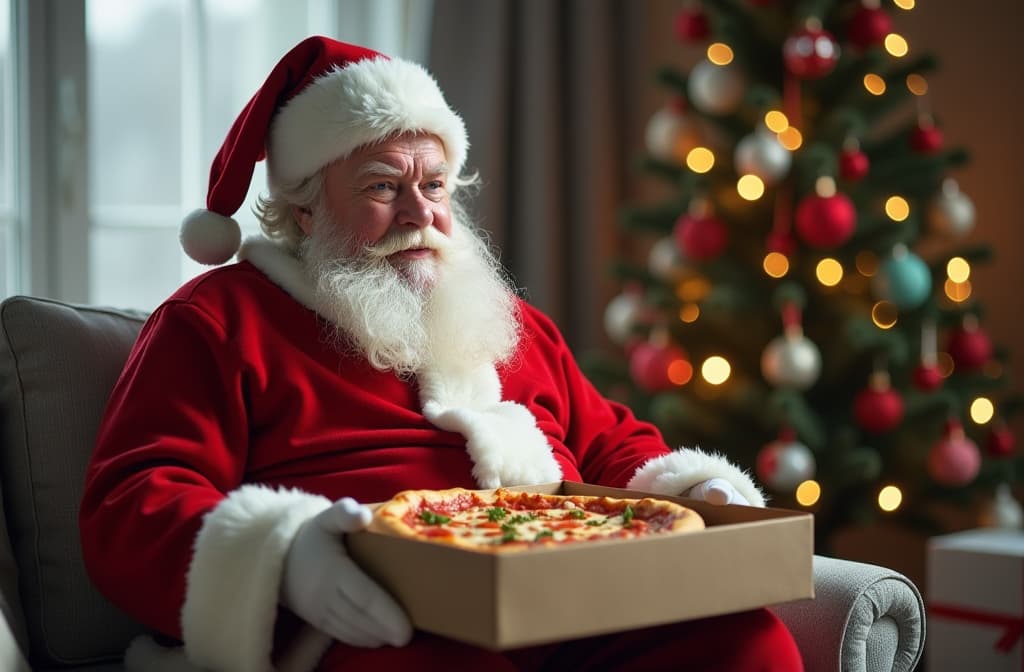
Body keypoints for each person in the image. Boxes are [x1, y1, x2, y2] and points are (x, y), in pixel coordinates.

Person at [79, 36, 802, 672]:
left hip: (572, 605)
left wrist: (693, 493)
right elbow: (133, 502)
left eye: (433, 186)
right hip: (362, 628)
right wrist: (286, 561)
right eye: (383, 187)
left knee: (745, 642)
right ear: (304, 208)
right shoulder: (214, 321)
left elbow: (612, 444)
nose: (420, 212)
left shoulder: (506, 321)